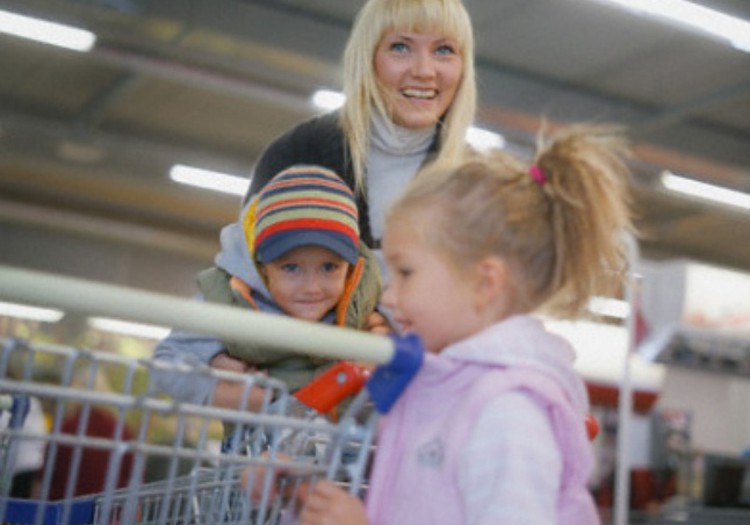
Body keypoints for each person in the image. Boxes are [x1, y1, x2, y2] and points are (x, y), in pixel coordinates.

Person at [296, 125, 635, 525]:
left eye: (406, 272)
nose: (388, 296)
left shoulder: (508, 414)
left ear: (484, 282)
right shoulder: (438, 388)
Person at [208, 0, 478, 384]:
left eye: (444, 50)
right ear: (367, 57)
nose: (424, 70)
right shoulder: (299, 153)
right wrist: (213, 357)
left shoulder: (475, 185)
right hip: (290, 403)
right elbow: (234, 281)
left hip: (413, 405)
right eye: (400, 47)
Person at [153, 165, 382, 409]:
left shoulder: (368, 298)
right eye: (291, 268)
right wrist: (227, 395)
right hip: (259, 440)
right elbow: (167, 364)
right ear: (262, 267)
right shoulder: (228, 302)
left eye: (329, 268)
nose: (312, 288)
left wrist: (380, 351)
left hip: (344, 440)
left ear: (350, 267)